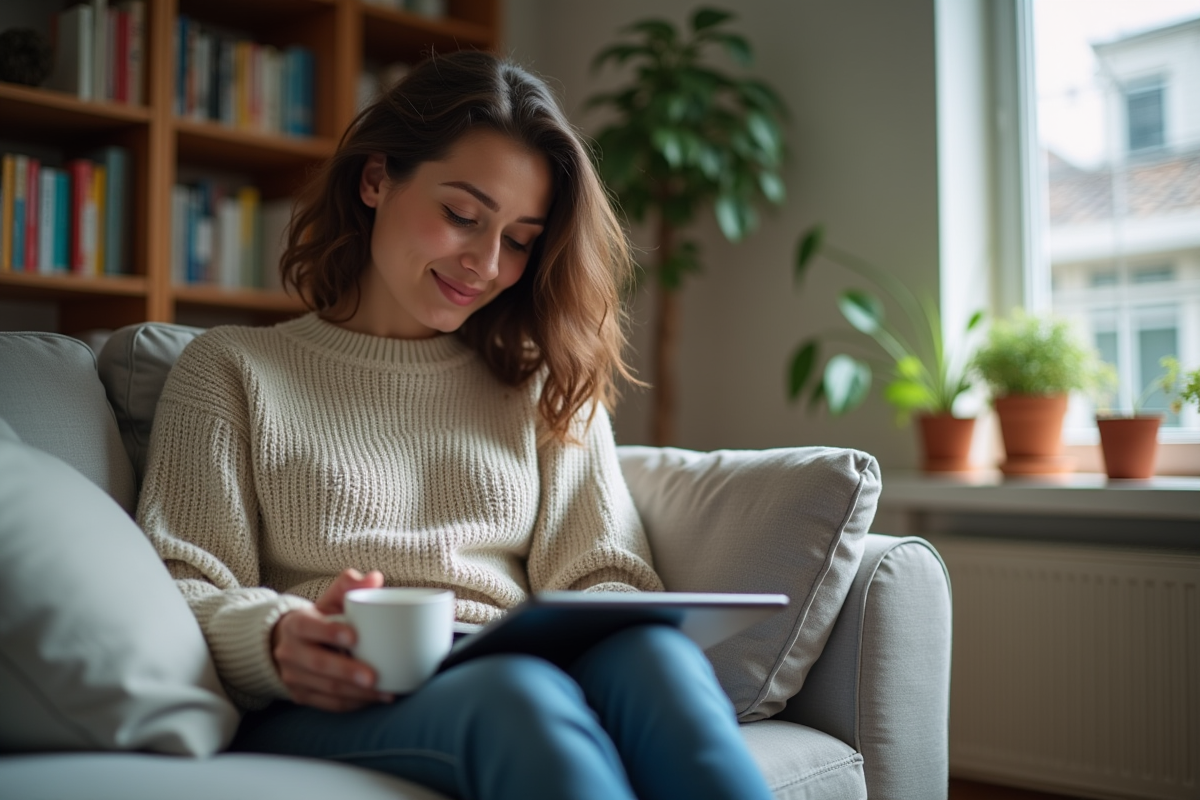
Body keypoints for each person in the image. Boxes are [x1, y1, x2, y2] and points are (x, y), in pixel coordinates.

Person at [136, 50, 775, 800]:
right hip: (333, 693)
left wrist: (607, 623)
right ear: (376, 180)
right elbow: (180, 585)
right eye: (462, 216)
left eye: (520, 239)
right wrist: (275, 636)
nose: (486, 263)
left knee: (658, 661)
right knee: (519, 696)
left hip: (506, 665)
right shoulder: (231, 369)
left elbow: (602, 573)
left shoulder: (539, 381)